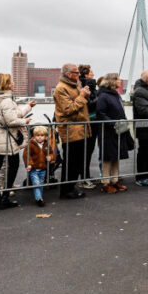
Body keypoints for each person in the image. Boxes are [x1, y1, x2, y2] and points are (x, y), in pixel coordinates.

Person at [0, 73, 33, 210]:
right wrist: (25, 121)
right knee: (14, 165)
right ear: (6, 85)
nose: (13, 84)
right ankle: (4, 197)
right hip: (6, 139)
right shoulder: (6, 101)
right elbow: (11, 121)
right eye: (11, 82)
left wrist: (27, 108)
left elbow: (9, 116)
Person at [53, 63, 92, 199]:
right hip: (71, 130)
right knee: (71, 162)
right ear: (68, 74)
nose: (79, 74)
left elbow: (79, 104)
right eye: (76, 72)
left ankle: (71, 187)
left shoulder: (75, 85)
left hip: (80, 129)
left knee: (77, 161)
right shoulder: (61, 89)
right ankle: (66, 190)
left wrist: (85, 95)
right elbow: (68, 109)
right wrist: (82, 96)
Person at [96, 73, 131, 194]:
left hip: (118, 131)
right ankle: (105, 183)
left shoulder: (115, 95)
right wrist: (113, 123)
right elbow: (100, 113)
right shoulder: (103, 96)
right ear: (112, 81)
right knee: (107, 158)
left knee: (116, 156)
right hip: (108, 131)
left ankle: (114, 181)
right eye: (118, 79)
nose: (120, 81)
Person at [78, 64, 99, 190]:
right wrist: (99, 98)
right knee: (86, 151)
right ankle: (84, 177)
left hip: (92, 122)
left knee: (88, 151)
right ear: (86, 74)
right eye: (91, 72)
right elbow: (88, 104)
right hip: (88, 122)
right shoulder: (84, 87)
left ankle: (86, 175)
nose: (93, 74)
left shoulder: (90, 86)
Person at [24, 126, 53, 207]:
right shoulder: (30, 145)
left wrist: (50, 157)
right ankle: (39, 199)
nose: (40, 137)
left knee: (41, 183)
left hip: (43, 168)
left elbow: (51, 152)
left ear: (45, 136)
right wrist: (29, 164)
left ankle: (39, 197)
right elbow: (26, 155)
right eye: (37, 135)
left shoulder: (47, 144)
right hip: (33, 169)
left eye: (42, 135)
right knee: (36, 183)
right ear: (34, 136)